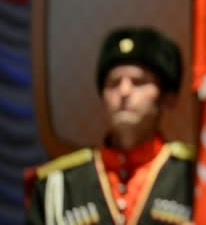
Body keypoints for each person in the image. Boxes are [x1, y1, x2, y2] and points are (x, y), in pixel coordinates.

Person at [26, 26, 195, 225]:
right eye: (113, 83)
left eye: (138, 82)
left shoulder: (195, 177)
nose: (124, 91)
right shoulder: (58, 185)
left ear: (167, 97)